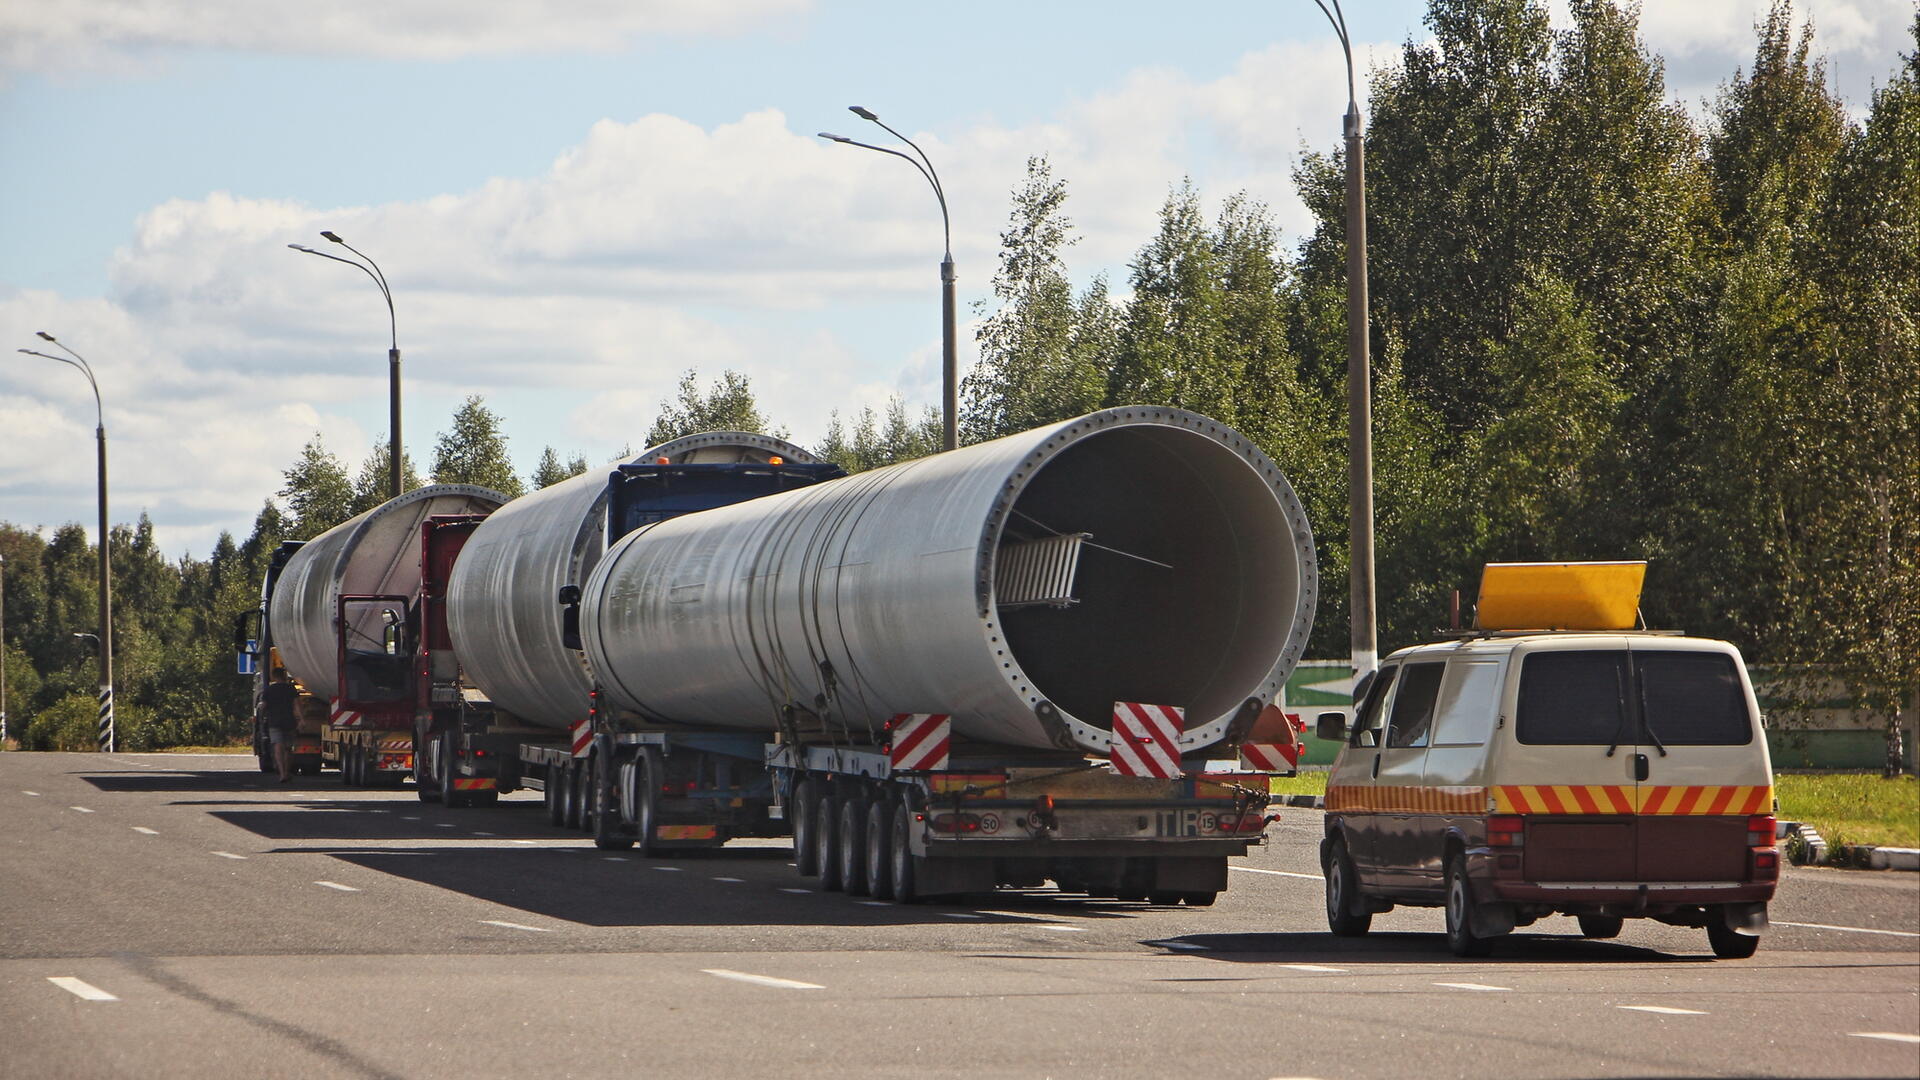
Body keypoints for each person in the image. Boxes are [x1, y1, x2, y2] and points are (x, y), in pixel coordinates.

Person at [261, 667, 300, 783]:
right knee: (288, 749)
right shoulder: (290, 689)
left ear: (273, 677)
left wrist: (262, 717)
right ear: (284, 676)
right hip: (289, 721)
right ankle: (287, 772)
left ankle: (282, 773)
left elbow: (263, 705)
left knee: (278, 746)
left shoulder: (269, 690)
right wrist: (301, 719)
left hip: (274, 721)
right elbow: (297, 705)